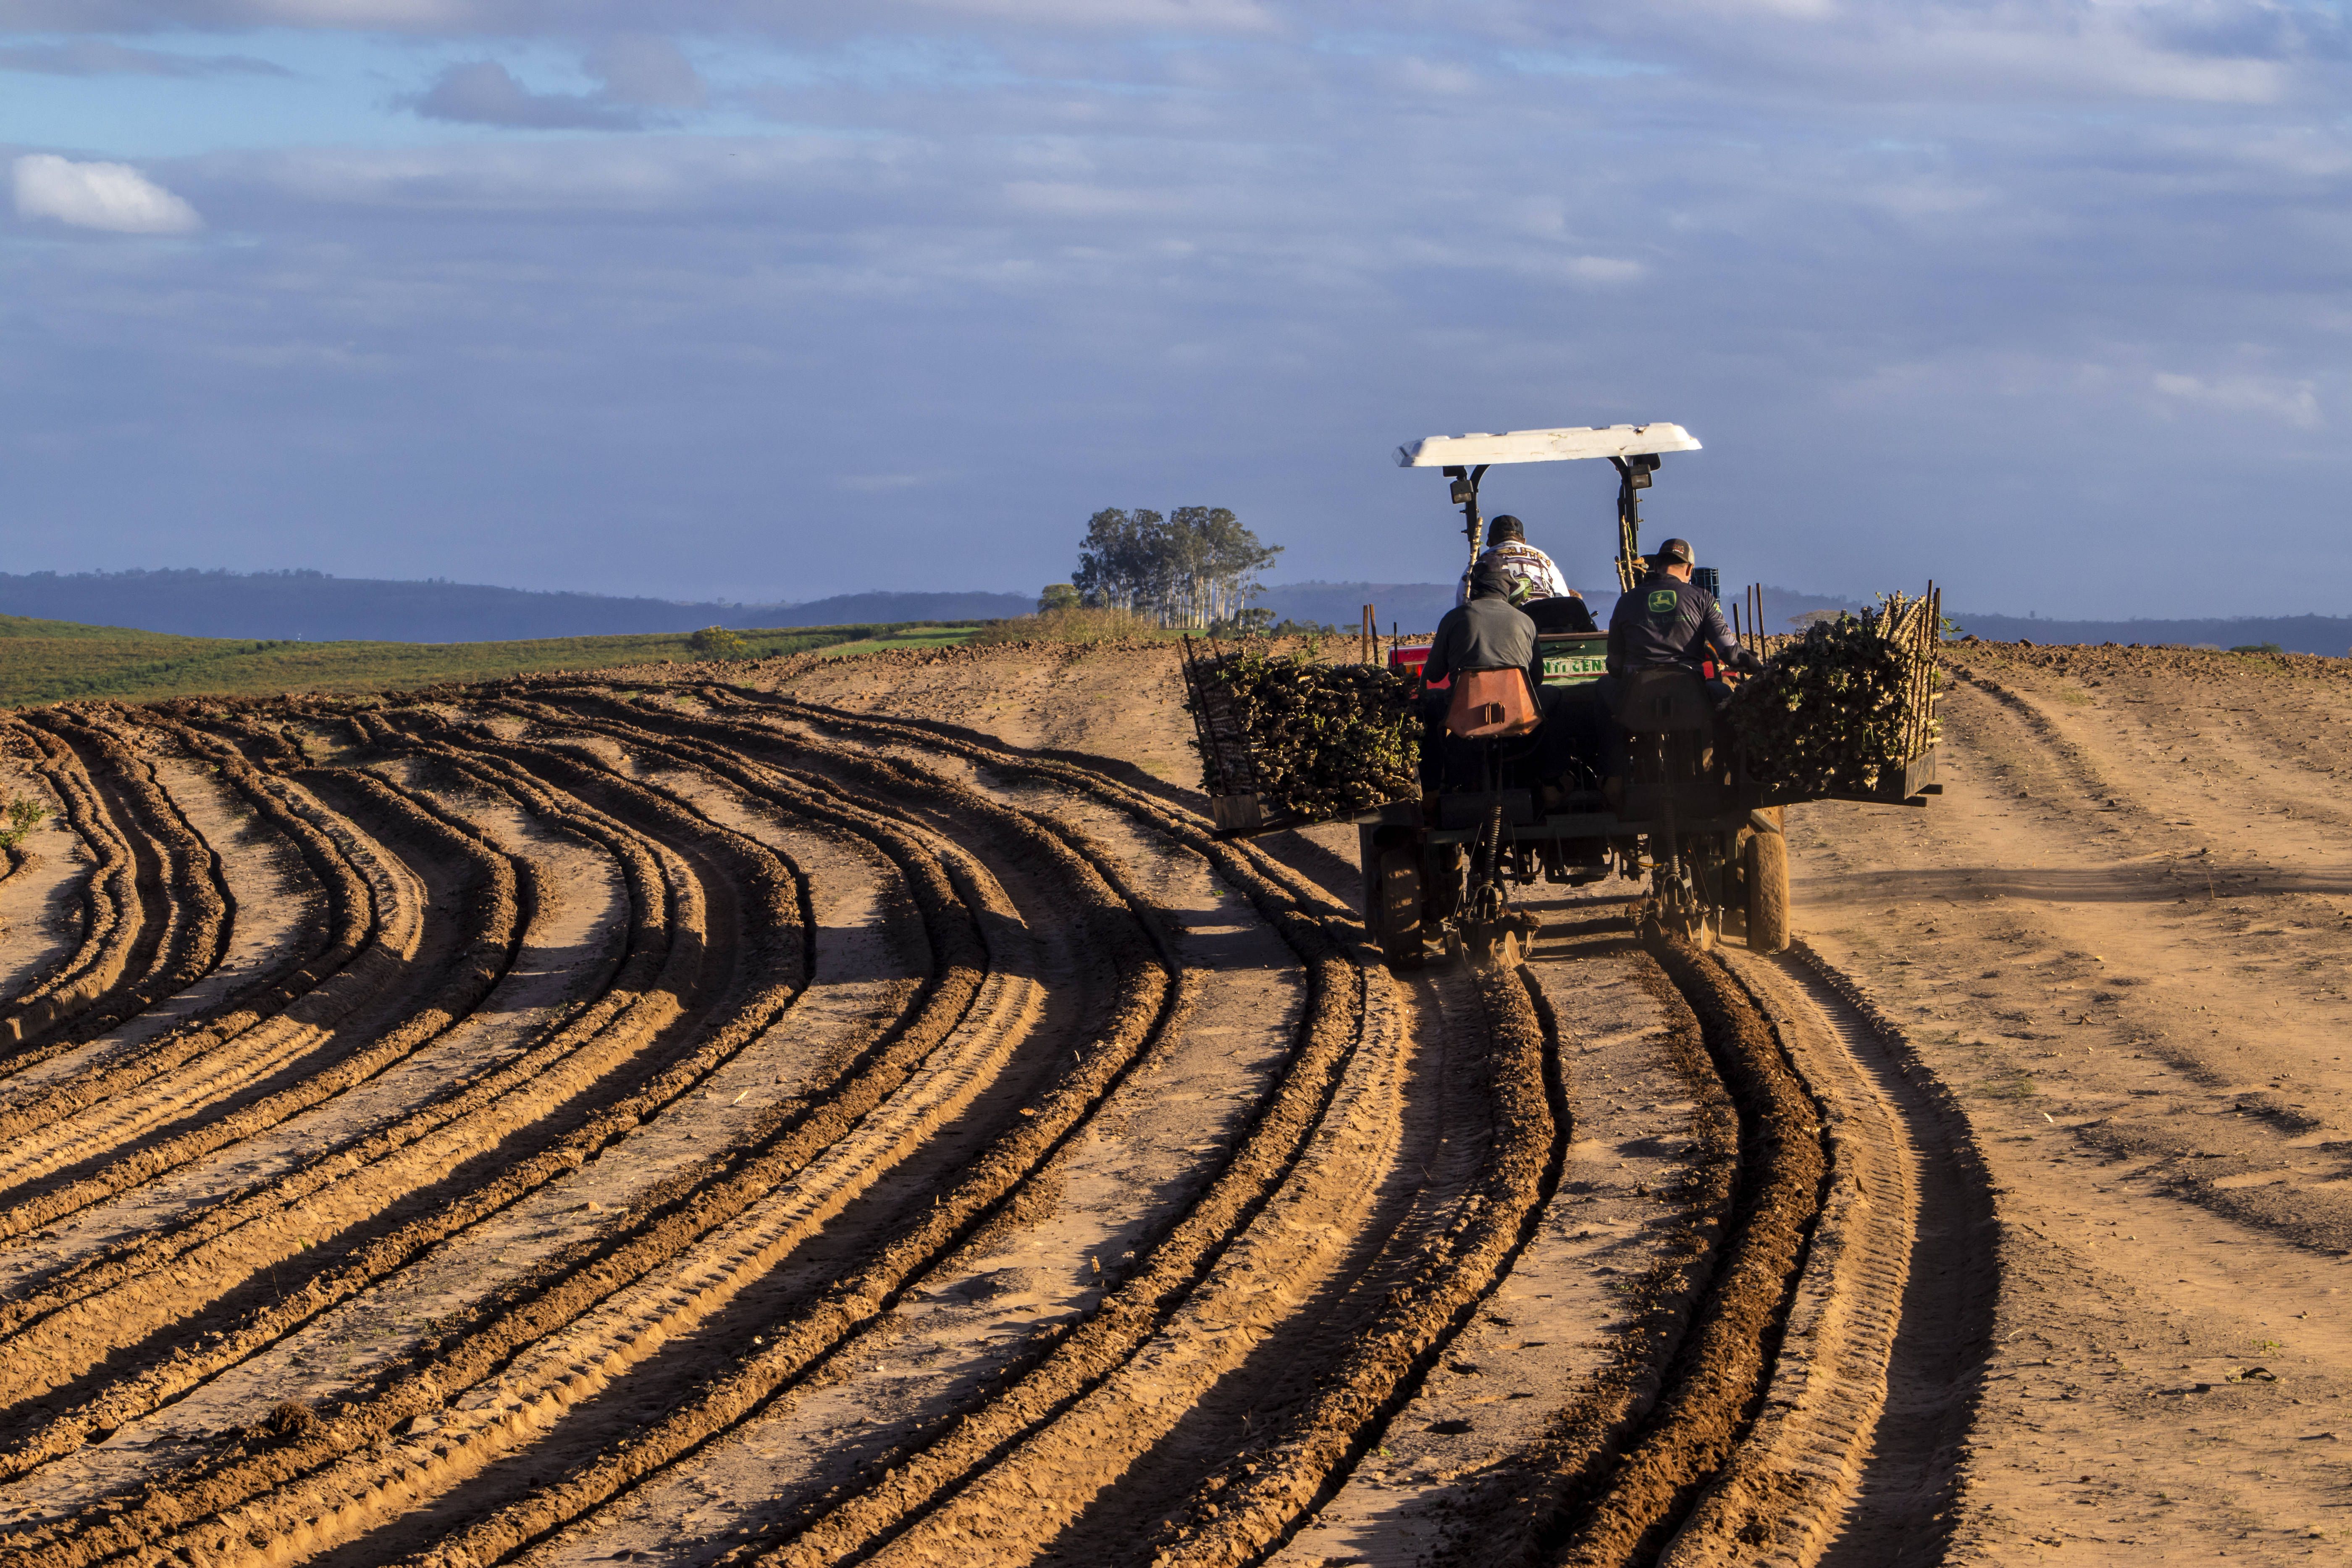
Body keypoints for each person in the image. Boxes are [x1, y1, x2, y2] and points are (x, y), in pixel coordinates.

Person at [1604, 538, 1760, 682]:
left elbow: (1614, 665)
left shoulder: (1626, 601)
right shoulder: (1703, 598)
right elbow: (1730, 653)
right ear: (1690, 569)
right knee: (1723, 692)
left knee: (1603, 687)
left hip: (1638, 690)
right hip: (1690, 687)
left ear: (1656, 566)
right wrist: (1755, 665)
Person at [1455, 515, 1579, 609]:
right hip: (1545, 625)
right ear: (1523, 541)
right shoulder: (1545, 560)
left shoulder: (1479, 565)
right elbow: (1564, 598)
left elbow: (1463, 606)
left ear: (1489, 541)